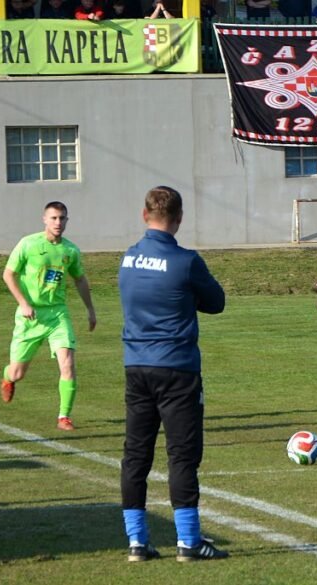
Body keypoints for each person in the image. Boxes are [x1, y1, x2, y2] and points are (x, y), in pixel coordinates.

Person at [119, 186, 228, 563]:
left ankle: (137, 542)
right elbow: (216, 302)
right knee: (181, 456)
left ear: (143, 215)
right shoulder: (186, 262)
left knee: (136, 455)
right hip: (177, 368)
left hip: (136, 366)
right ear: (179, 218)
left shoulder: (128, 259)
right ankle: (189, 542)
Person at [0, 201, 96, 432]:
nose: (58, 222)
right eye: (53, 218)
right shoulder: (28, 243)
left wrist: (90, 309)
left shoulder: (70, 251)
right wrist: (23, 303)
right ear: (44, 219)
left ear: (67, 220)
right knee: (17, 372)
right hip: (30, 316)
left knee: (68, 363)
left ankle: (64, 417)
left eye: (62, 218)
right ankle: (8, 377)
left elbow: (80, 279)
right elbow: (8, 274)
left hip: (57, 314)